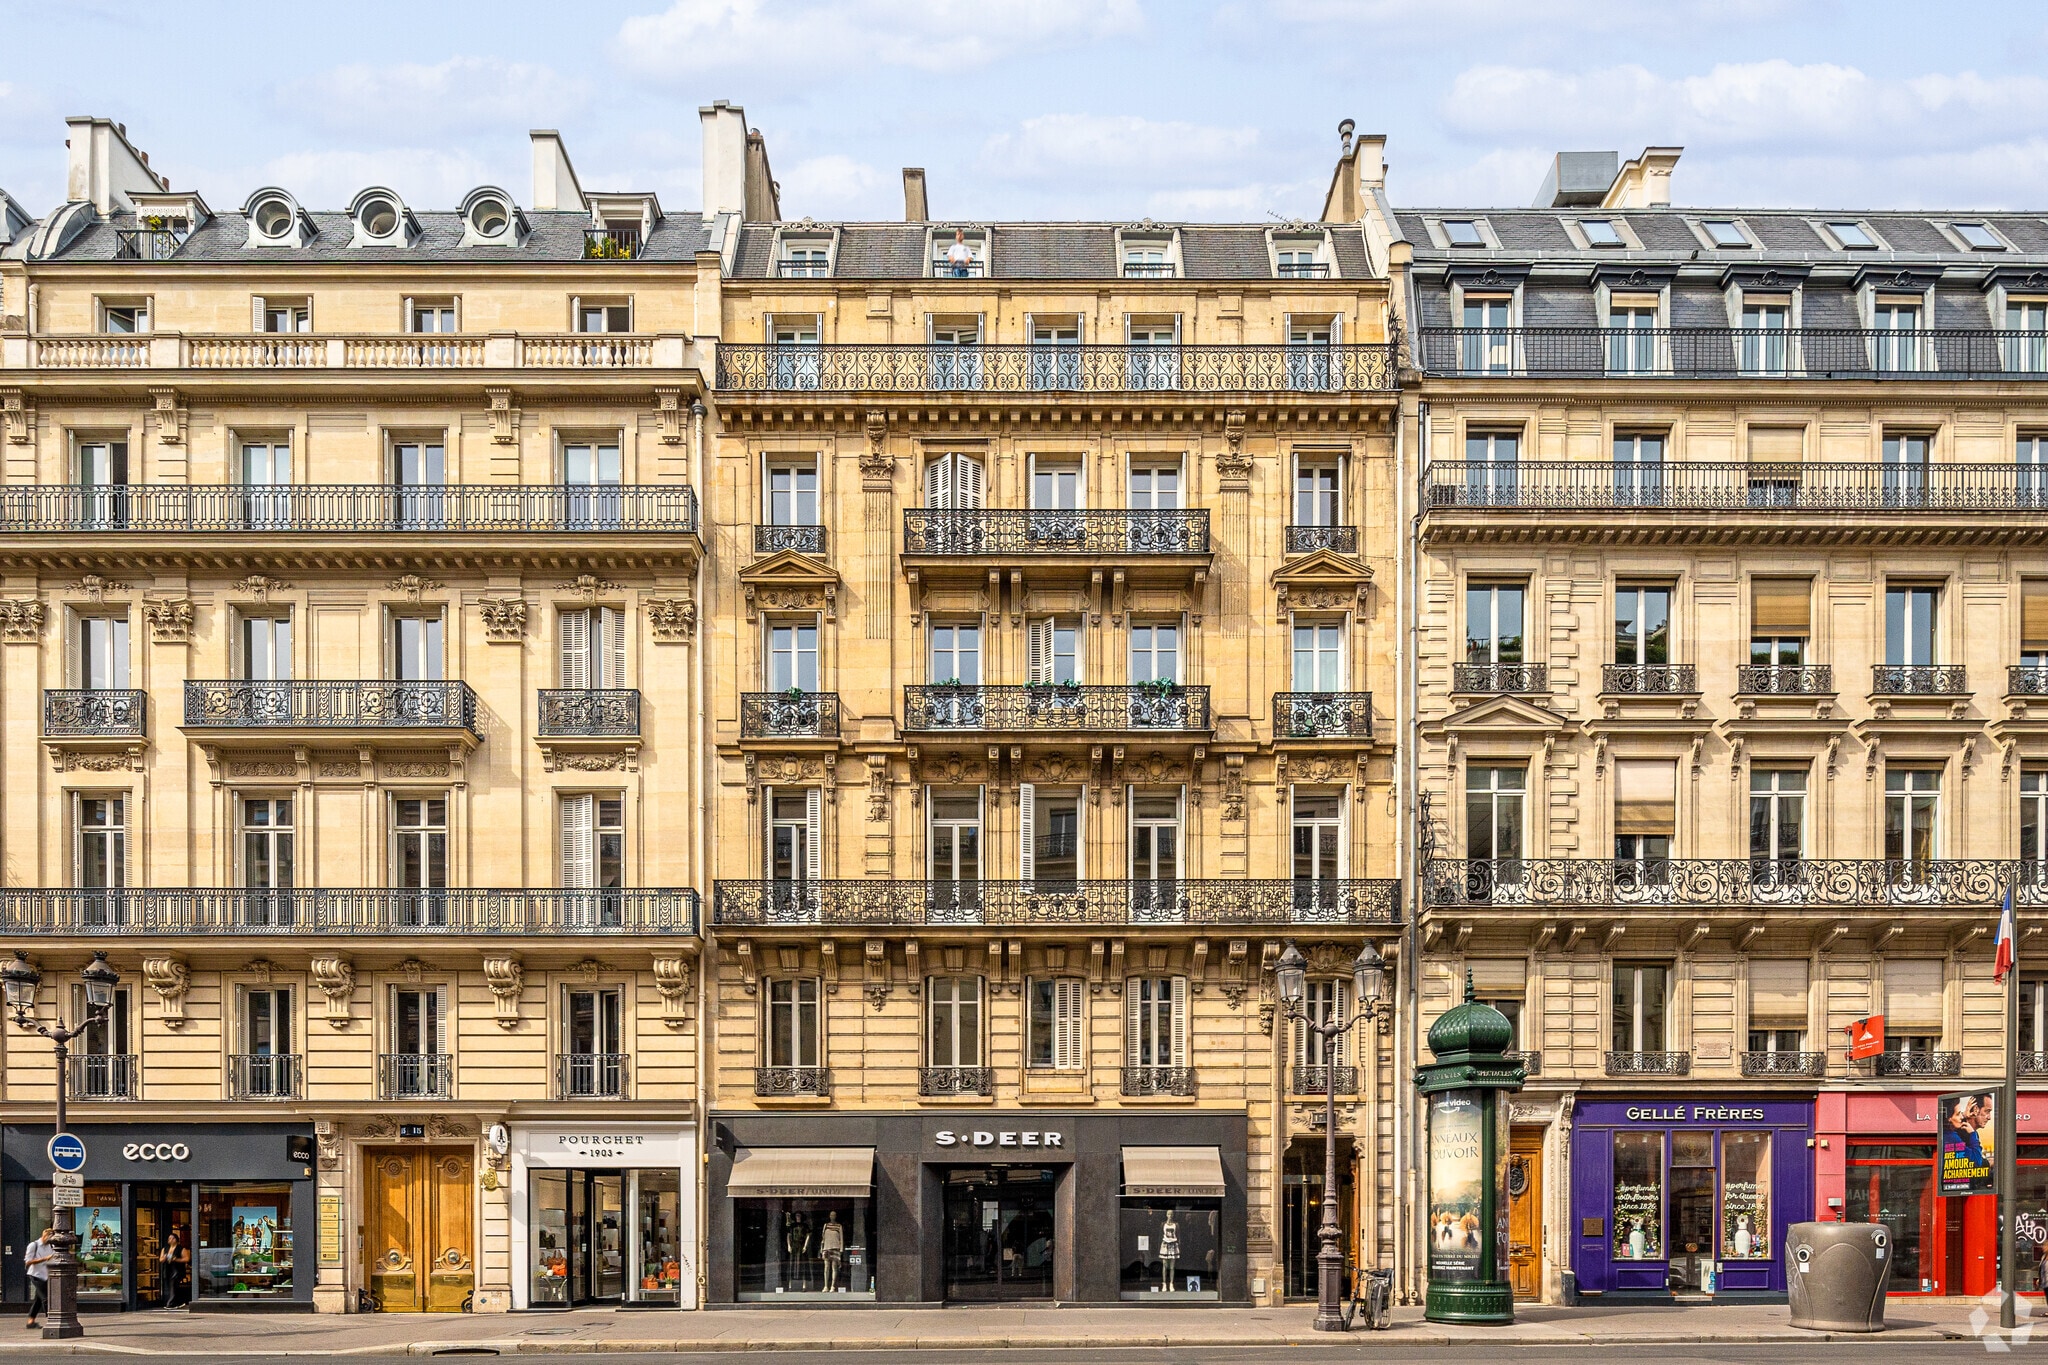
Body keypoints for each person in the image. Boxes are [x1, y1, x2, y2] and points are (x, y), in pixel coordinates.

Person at [23, 1227, 52, 1329]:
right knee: (46, 1298)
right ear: (44, 1236)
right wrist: (44, 1259)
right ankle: (52, 1321)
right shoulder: (33, 1245)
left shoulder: (50, 1246)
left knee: (38, 1300)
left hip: (46, 1275)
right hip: (36, 1275)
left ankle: (31, 1322)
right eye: (48, 1238)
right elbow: (28, 1261)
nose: (49, 1241)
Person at [159, 1228, 189, 1309]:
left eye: (172, 1238)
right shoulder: (165, 1249)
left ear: (176, 1239)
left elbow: (186, 1259)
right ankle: (178, 1302)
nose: (170, 1240)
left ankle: (170, 1303)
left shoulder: (181, 1249)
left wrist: (177, 1259)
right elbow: (160, 1259)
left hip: (177, 1269)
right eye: (169, 1238)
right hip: (168, 1269)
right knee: (171, 1286)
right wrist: (165, 1258)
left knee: (173, 1284)